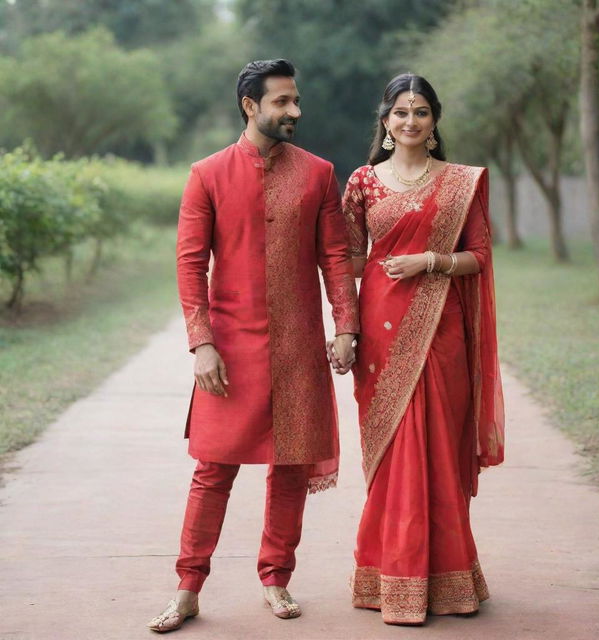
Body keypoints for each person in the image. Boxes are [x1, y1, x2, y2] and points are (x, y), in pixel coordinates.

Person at [147, 59, 359, 633]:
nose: (295, 111)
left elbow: (335, 257)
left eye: (296, 100)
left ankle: (276, 577)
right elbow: (191, 263)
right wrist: (201, 344)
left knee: (290, 467)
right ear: (250, 106)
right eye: (283, 102)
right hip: (230, 351)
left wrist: (345, 326)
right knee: (212, 470)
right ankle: (188, 588)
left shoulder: (317, 173)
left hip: (297, 347)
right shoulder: (208, 174)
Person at [336, 73, 504, 626]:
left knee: (436, 444)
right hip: (380, 329)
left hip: (441, 326)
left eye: (422, 113)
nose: (411, 122)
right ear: (385, 121)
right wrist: (345, 327)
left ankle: (450, 579)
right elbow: (349, 262)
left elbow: (478, 254)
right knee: (393, 451)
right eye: (401, 112)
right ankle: (390, 576)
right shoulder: (362, 181)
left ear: (434, 123)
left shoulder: (461, 182)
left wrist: (429, 261)